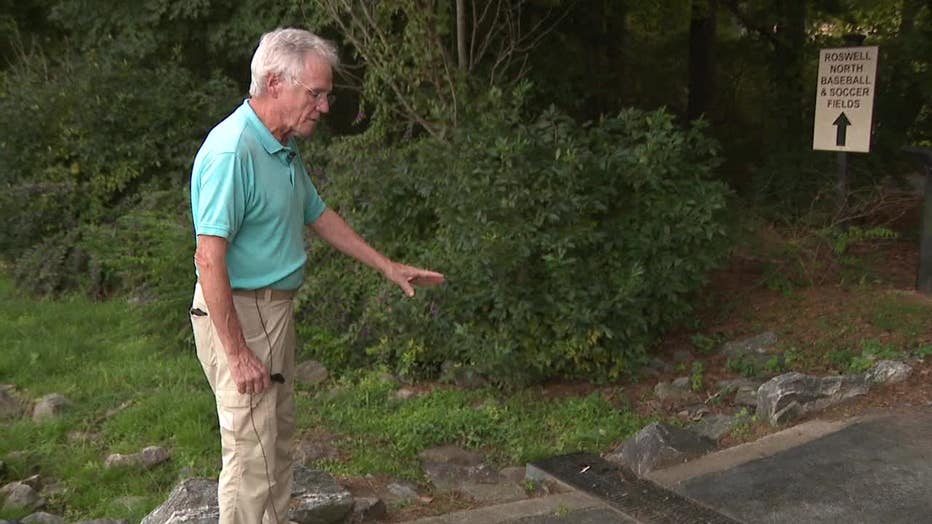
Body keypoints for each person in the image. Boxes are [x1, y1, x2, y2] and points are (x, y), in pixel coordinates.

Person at [188, 27, 444, 523]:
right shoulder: (231, 151)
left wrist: (387, 267)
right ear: (275, 83)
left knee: (276, 446)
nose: (325, 106)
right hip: (241, 313)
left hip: (273, 311)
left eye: (326, 94)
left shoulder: (281, 144)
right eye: (317, 94)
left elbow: (317, 213)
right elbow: (208, 258)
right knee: (250, 457)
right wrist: (238, 353)